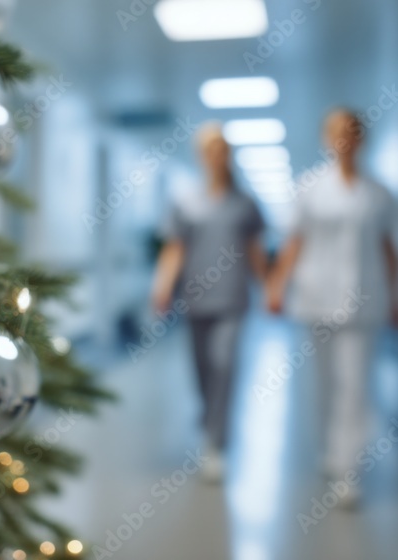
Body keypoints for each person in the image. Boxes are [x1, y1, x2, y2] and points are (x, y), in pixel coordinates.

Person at [267, 108, 398, 504]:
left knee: (355, 386)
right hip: (316, 298)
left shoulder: (379, 193)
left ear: (362, 138)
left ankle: (349, 469)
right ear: (326, 138)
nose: (344, 138)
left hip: (365, 300)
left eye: (352, 131)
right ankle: (330, 449)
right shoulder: (309, 187)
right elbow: (294, 242)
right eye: (336, 132)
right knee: (323, 384)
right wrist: (276, 286)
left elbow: (390, 249)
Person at [151, 123, 268, 481]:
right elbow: (175, 249)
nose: (216, 156)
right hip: (196, 298)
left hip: (233, 299)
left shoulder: (244, 204)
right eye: (210, 150)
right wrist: (162, 286)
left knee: (224, 364)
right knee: (202, 369)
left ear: (228, 155)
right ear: (202, 156)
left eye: (222, 149)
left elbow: (255, 251)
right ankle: (208, 416)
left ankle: (216, 443)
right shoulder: (187, 202)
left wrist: (272, 287)